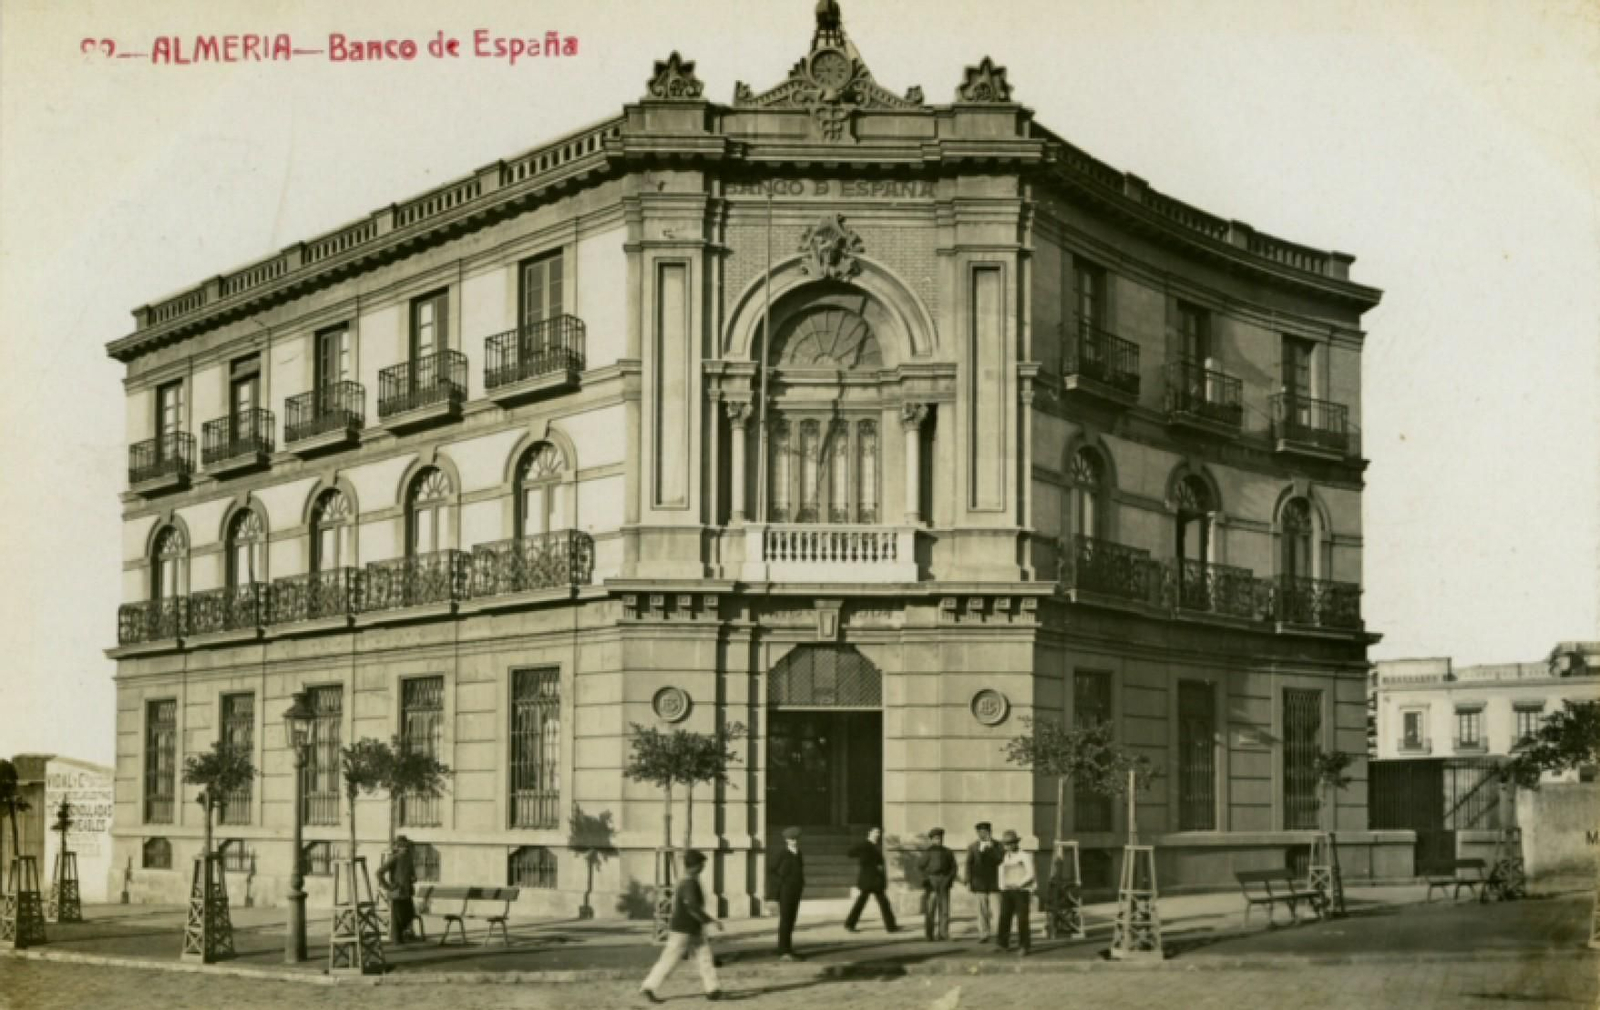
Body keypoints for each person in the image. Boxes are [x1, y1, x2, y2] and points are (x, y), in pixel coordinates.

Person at [640, 849, 723, 1003]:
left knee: (704, 957)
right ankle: (649, 987)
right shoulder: (689, 883)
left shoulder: (687, 881)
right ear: (694, 866)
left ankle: (713, 989)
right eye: (701, 864)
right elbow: (692, 906)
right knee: (670, 958)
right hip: (684, 929)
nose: (703, 867)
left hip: (690, 928)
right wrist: (710, 921)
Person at [843, 827, 898, 933]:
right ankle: (891, 926)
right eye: (875, 832)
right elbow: (850, 853)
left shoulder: (874, 846)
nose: (877, 834)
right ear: (869, 833)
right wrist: (863, 859)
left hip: (874, 880)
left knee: (882, 903)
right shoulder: (865, 845)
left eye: (879, 832)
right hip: (869, 879)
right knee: (866, 903)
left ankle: (891, 926)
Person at [995, 829, 1036, 957]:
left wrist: (1018, 884)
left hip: (1021, 891)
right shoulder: (1005, 857)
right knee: (1004, 917)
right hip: (1008, 891)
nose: (1008, 846)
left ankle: (1024, 946)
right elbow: (1001, 872)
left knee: (1022, 918)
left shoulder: (1024, 856)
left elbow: (1030, 873)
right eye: (1006, 844)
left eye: (1011, 843)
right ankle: (1002, 944)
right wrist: (1002, 886)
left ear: (1016, 843)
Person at [769, 826, 806, 961]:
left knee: (792, 919)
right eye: (791, 839)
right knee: (785, 919)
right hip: (785, 890)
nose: (794, 841)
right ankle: (783, 950)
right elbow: (772, 870)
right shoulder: (782, 854)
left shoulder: (798, 853)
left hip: (796, 889)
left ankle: (788, 948)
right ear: (786, 840)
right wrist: (782, 882)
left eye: (796, 839)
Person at [963, 822, 1001, 942]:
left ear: (990, 832)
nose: (983, 834)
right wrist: (968, 880)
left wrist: (991, 847)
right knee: (982, 910)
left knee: (998, 911)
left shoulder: (998, 845)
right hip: (979, 884)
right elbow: (968, 864)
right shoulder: (973, 847)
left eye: (986, 831)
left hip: (995, 883)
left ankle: (999, 933)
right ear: (977, 833)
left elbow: (1001, 860)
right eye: (980, 832)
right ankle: (984, 933)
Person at [375, 835, 417, 943]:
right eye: (402, 846)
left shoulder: (409, 858)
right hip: (398, 892)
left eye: (406, 846)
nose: (405, 848)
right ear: (398, 847)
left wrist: (413, 878)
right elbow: (379, 873)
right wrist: (388, 886)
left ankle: (399, 937)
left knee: (409, 914)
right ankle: (397, 939)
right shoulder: (394, 858)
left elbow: (412, 874)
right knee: (398, 917)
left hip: (407, 891)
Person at [919, 827, 957, 941]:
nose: (938, 840)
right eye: (935, 838)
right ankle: (929, 934)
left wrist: (950, 879)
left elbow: (954, 867)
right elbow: (920, 867)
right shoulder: (927, 852)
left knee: (945, 909)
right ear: (931, 840)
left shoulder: (948, 852)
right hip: (932, 882)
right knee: (931, 910)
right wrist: (926, 880)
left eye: (940, 838)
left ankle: (943, 933)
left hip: (944, 881)